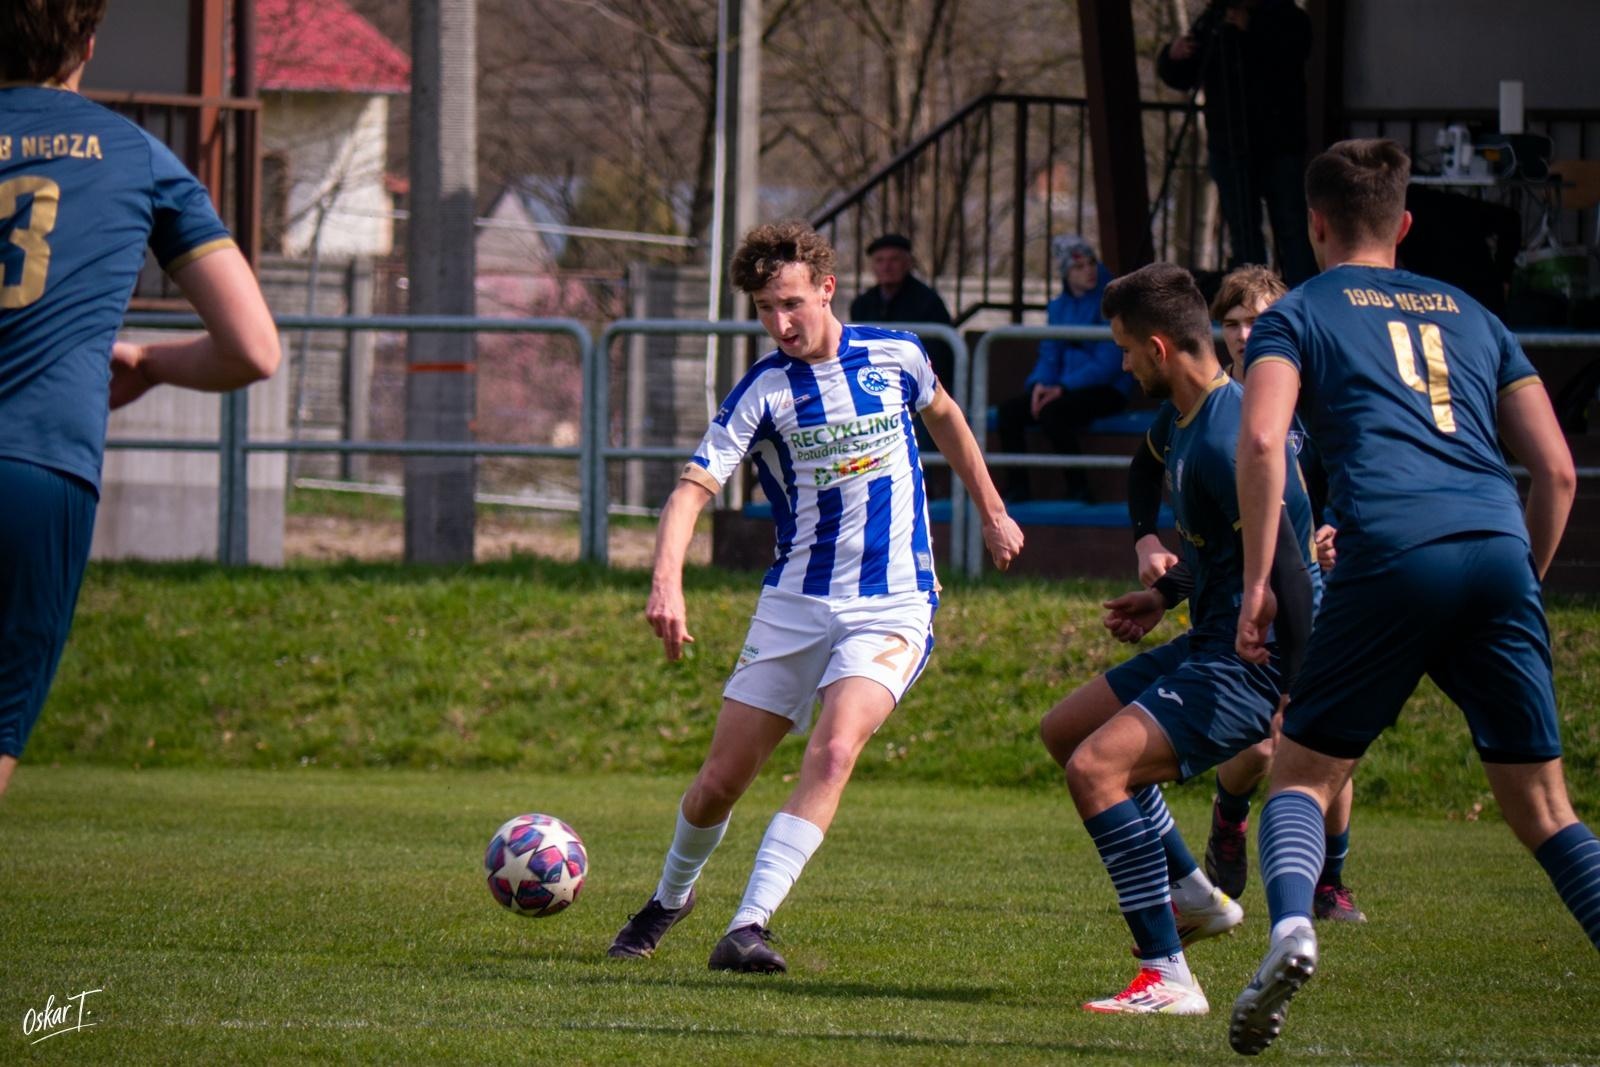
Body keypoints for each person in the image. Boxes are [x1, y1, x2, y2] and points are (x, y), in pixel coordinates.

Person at [1229, 138, 1597, 1055]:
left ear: (1314, 224)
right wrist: (1518, 584)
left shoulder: (1295, 314)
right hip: (1498, 548)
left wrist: (1258, 581)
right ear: (1403, 223)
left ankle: (1292, 929)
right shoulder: (1476, 315)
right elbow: (1556, 471)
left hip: (1391, 547)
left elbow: (1265, 441)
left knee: (1301, 775)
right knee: (1547, 810)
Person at [609, 220, 1023, 973]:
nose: (781, 323)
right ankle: (671, 895)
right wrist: (666, 582)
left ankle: (749, 924)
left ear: (827, 288)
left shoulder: (896, 355)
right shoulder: (763, 391)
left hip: (893, 602)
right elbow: (690, 492)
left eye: (792, 303)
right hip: (794, 605)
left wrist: (993, 511)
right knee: (718, 784)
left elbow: (948, 419)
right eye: (766, 309)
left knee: (834, 750)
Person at [0, 0, 282, 798]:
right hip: (37, 463)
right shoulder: (136, 154)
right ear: (88, 44)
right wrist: (152, 363)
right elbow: (253, 348)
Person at [1037, 262, 1319, 1015]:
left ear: (1159, 348)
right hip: (1208, 639)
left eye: (1126, 350)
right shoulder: (1185, 417)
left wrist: (1296, 695)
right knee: (1066, 732)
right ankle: (1195, 893)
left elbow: (1291, 574)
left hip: (1251, 663)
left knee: (1096, 770)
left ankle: (1168, 975)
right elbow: (1164, 490)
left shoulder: (1234, 441)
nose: (1123, 364)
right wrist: (1161, 585)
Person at [1128, 265, 1364, 922]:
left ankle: (1329, 881)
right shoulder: (1208, 409)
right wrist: (1151, 551)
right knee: (1261, 746)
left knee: (1327, 743)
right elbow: (1204, 526)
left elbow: (1348, 479)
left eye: (1258, 321)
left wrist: (1336, 526)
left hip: (1315, 589)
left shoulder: (1311, 402)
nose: (1243, 333)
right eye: (1231, 322)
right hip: (1241, 608)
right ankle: (1229, 818)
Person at [1157, 0, 1318, 285]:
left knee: (1291, 227)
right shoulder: (1216, 19)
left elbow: (1296, 49)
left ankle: (1301, 294)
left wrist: (1252, 27)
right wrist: (1172, 56)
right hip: (1229, 145)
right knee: (1243, 232)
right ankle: (1252, 294)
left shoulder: (1285, 16)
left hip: (1279, 143)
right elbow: (1188, 72)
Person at [996, 234, 1130, 502]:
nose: (1088, 271)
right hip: (1062, 386)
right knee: (1009, 412)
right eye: (1079, 267)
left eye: (1091, 263)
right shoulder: (1058, 307)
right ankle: (1018, 488)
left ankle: (1079, 488)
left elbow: (1108, 363)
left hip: (1106, 389)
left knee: (1053, 413)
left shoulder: (1111, 303)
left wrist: (1063, 387)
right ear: (1066, 273)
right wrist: (1040, 384)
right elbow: (1050, 352)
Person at [848, 233, 955, 393]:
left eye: (894, 260)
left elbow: (938, 356)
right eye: (880, 260)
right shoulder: (862, 304)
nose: (886, 267)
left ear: (907, 263)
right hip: (872, 383)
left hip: (917, 387)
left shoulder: (928, 302)